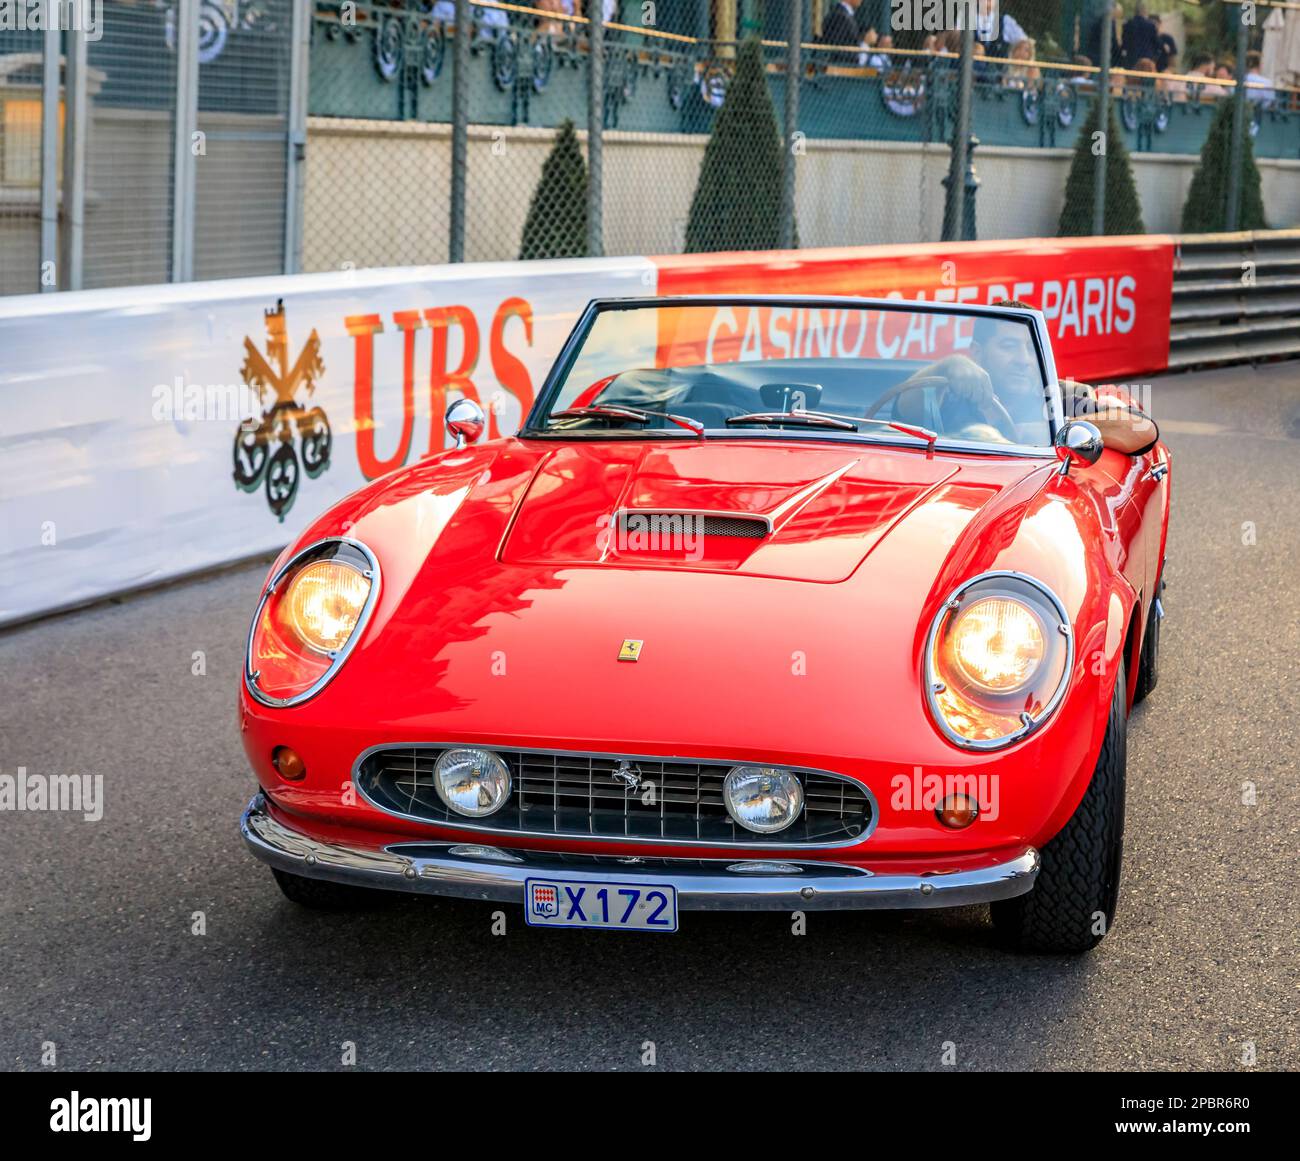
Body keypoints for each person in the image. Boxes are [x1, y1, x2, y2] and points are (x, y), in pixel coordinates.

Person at [894, 303, 1158, 452]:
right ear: (978, 353)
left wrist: (1059, 429)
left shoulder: (1058, 400)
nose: (1023, 359)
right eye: (1008, 347)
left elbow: (1144, 429)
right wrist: (947, 366)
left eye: (1030, 350)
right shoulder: (951, 396)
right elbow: (903, 407)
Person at [1121, 1, 1158, 69]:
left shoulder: (1127, 25)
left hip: (1132, 59)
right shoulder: (1150, 26)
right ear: (1144, 10)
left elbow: (1125, 43)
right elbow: (1155, 43)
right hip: (1147, 60)